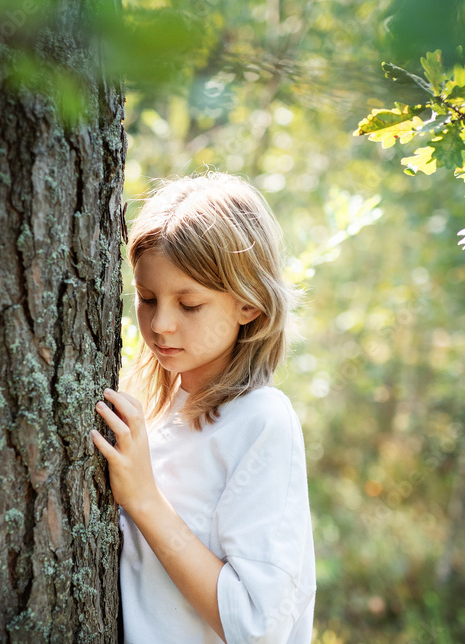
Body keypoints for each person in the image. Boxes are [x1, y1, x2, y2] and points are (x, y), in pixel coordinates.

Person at [90, 171, 317, 644]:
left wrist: (144, 500)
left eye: (189, 304)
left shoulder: (261, 421)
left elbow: (257, 627)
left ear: (249, 305)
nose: (162, 325)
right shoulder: (150, 412)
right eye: (148, 299)